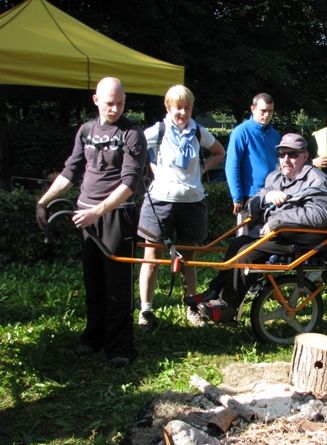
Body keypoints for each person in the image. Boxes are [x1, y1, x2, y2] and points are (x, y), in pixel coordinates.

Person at [35, 77, 146, 367]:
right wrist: (44, 200)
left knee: (118, 283)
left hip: (116, 215)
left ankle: (120, 346)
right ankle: (93, 337)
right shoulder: (86, 130)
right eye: (110, 103)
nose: (115, 108)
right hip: (86, 214)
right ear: (95, 100)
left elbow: (130, 184)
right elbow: (70, 172)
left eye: (120, 103)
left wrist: (100, 210)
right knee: (94, 280)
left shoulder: (132, 133)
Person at [195, 133, 327, 322]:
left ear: (305, 156)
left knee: (246, 252)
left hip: (299, 239)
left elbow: (320, 216)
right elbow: (251, 206)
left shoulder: (317, 179)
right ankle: (213, 293)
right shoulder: (275, 177)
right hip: (276, 235)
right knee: (237, 244)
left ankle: (228, 306)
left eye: (293, 154)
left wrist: (277, 222)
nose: (286, 159)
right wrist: (265, 198)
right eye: (282, 154)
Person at [137, 85, 226, 331]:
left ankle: (191, 307)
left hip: (192, 203)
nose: (183, 112)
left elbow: (219, 152)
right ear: (168, 107)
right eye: (178, 107)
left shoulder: (198, 131)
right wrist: (153, 169)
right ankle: (146, 310)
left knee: (189, 259)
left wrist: (202, 170)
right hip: (160, 202)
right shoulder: (159, 130)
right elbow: (135, 150)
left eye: (187, 108)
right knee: (151, 259)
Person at [225, 93, 281, 216]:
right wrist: (237, 196)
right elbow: (232, 165)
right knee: (248, 234)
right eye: (263, 111)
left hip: (273, 193)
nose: (267, 115)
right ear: (253, 109)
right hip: (250, 195)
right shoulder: (240, 132)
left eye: (270, 111)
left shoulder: (275, 135)